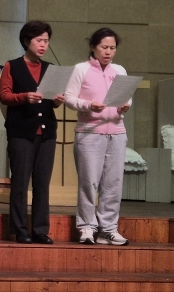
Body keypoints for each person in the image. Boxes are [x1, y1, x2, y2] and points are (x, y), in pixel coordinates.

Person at [0, 21, 64, 244]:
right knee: (20, 183)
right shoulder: (12, 66)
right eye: (39, 40)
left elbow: (51, 101)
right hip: (21, 131)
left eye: (46, 41)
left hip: (46, 132)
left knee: (42, 184)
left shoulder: (50, 69)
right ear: (27, 41)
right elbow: (4, 95)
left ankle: (40, 230)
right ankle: (20, 230)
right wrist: (24, 97)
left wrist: (57, 101)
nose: (43, 45)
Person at [64, 28, 131, 246]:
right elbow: (69, 98)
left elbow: (127, 96)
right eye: (104, 47)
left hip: (117, 132)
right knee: (89, 182)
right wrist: (88, 105)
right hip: (90, 132)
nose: (108, 52)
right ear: (93, 47)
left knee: (113, 184)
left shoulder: (119, 70)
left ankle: (108, 229)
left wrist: (125, 106)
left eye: (112, 48)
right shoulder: (81, 69)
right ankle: (86, 227)